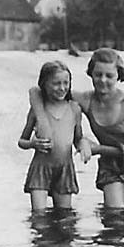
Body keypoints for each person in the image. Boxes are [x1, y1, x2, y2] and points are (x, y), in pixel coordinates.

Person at [30, 48, 124, 209]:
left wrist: (98, 149)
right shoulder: (85, 99)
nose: (102, 80)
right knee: (115, 212)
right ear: (91, 74)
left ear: (119, 75)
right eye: (98, 74)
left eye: (109, 76)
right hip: (112, 165)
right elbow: (36, 91)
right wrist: (42, 121)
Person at [18, 61, 91, 212]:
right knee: (39, 215)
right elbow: (21, 141)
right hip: (40, 168)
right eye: (56, 83)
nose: (62, 88)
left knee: (64, 215)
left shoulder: (74, 109)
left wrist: (83, 145)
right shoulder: (37, 110)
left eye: (66, 83)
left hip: (65, 168)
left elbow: (78, 138)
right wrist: (32, 144)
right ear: (44, 84)